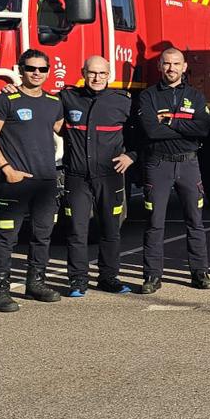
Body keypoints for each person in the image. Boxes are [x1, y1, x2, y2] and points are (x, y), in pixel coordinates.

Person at [0, 50, 64, 312]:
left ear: (49, 71)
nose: (36, 73)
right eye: (30, 68)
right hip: (14, 182)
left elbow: (68, 129)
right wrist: (7, 169)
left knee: (43, 235)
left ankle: (35, 283)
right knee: (6, 237)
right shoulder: (5, 100)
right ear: (20, 69)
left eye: (41, 69)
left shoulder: (54, 102)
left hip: (46, 182)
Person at [134, 47, 210, 294]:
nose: (171, 69)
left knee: (195, 222)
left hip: (189, 164)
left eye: (176, 64)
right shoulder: (148, 97)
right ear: (160, 66)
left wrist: (169, 121)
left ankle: (200, 273)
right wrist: (185, 127)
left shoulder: (196, 96)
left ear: (184, 67)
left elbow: (203, 129)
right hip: (158, 164)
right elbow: (150, 131)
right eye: (167, 64)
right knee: (155, 223)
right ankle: (152, 276)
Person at [60, 55, 134, 297]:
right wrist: (13, 88)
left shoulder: (123, 102)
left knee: (111, 229)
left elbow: (141, 134)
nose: (97, 78)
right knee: (76, 230)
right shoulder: (67, 98)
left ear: (109, 75)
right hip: (77, 177)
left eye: (102, 73)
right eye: (92, 73)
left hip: (109, 176)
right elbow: (39, 104)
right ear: (83, 73)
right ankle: (78, 280)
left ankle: (108, 277)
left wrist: (131, 155)